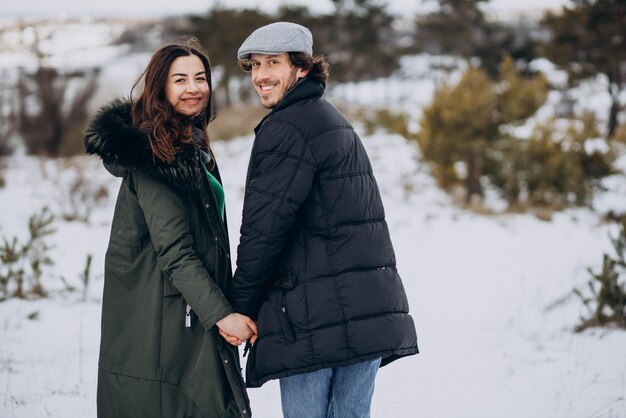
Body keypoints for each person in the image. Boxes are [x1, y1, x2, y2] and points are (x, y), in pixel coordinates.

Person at [225, 22, 419, 418]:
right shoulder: (330, 119)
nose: (261, 75)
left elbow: (263, 231)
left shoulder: (287, 128)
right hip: (363, 311)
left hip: (311, 319)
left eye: (273, 63)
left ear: (301, 68)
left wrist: (239, 308)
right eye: (256, 65)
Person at [83, 40, 257, 418]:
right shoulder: (157, 154)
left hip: (188, 306)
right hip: (163, 316)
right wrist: (222, 314)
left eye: (200, 78)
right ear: (161, 88)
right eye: (180, 80)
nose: (194, 87)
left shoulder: (190, 143)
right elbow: (175, 251)